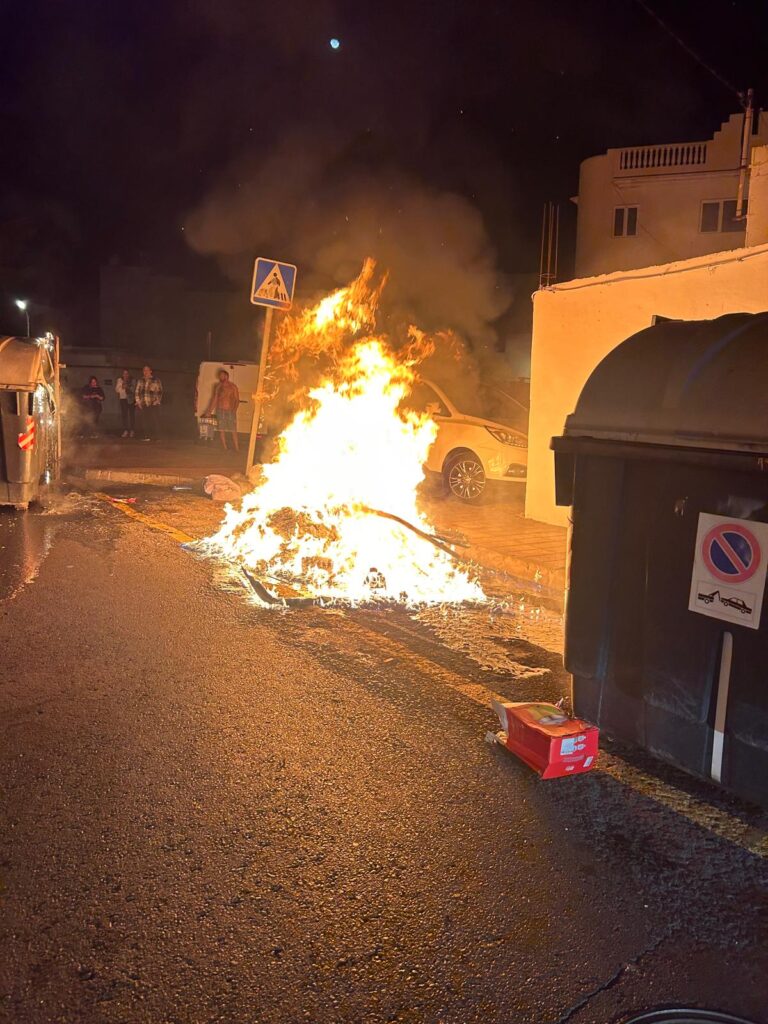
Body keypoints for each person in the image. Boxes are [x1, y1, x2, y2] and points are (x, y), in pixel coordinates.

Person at [207, 369, 240, 452]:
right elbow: (215, 399)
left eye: (222, 375)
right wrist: (209, 411)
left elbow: (237, 400)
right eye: (219, 375)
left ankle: (237, 448)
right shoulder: (218, 387)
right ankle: (225, 448)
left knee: (233, 430)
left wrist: (234, 410)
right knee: (221, 429)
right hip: (220, 410)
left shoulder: (233, 387)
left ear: (226, 376)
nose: (220, 377)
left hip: (230, 411)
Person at [134, 364, 163, 441]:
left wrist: (157, 401)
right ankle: (147, 436)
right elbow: (137, 392)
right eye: (144, 370)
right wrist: (138, 401)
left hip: (153, 403)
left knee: (155, 420)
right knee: (145, 421)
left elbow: (160, 391)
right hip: (144, 403)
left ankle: (157, 437)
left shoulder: (156, 380)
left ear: (151, 371)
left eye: (147, 370)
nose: (145, 372)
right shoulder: (140, 380)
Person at [115, 369, 136, 437]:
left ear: (129, 374)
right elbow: (117, 390)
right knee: (124, 415)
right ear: (122, 374)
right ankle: (126, 430)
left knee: (131, 415)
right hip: (123, 399)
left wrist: (127, 387)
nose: (125, 375)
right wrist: (122, 387)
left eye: (127, 373)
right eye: (124, 373)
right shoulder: (119, 380)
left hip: (130, 399)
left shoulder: (132, 380)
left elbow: (133, 390)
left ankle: (132, 430)